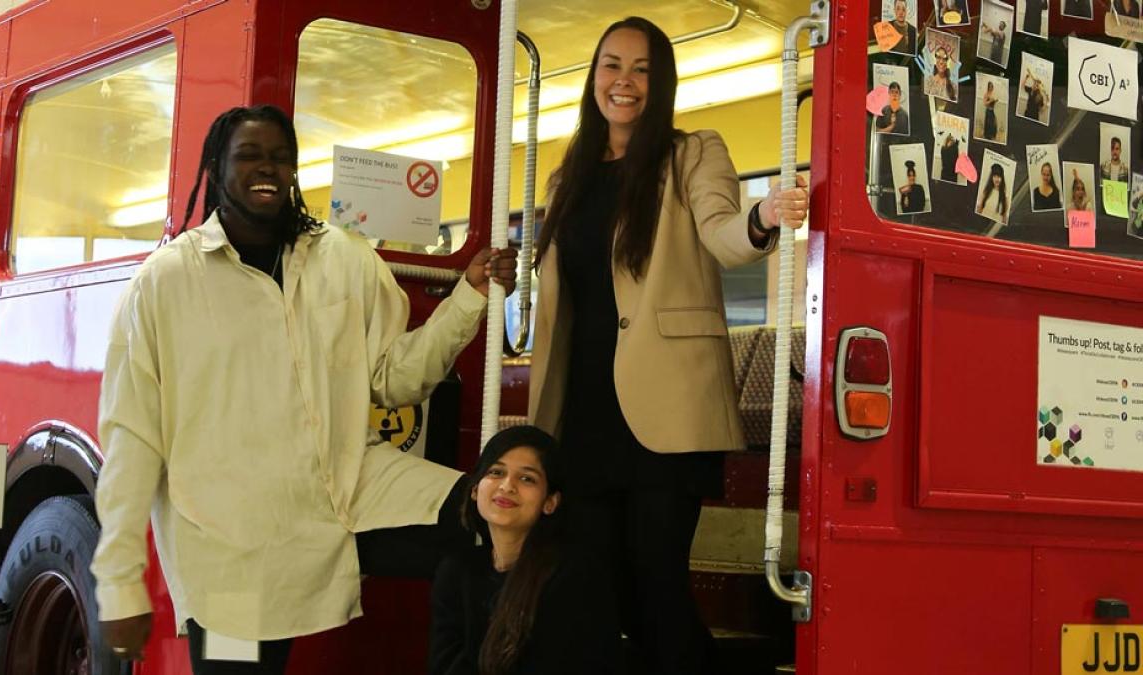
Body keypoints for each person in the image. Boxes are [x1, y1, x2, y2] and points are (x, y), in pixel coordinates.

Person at [91, 105, 518, 674]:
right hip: (231, 554)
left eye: (279, 156)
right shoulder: (165, 283)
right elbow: (131, 442)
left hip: (347, 494)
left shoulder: (342, 258)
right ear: (217, 168)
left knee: (490, 521)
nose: (266, 167)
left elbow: (394, 380)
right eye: (248, 155)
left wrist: (470, 295)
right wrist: (118, 584)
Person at [526, 17, 808, 675]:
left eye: (642, 69)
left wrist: (763, 217)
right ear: (593, 76)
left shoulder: (692, 153)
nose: (624, 82)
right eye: (611, 65)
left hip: (669, 413)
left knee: (655, 588)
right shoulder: (565, 177)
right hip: (584, 414)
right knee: (599, 593)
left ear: (663, 83)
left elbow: (722, 232)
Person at [429, 426, 621, 675]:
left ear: (550, 502)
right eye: (496, 472)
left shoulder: (574, 574)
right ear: (475, 489)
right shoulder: (456, 571)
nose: (507, 486)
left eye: (527, 478)